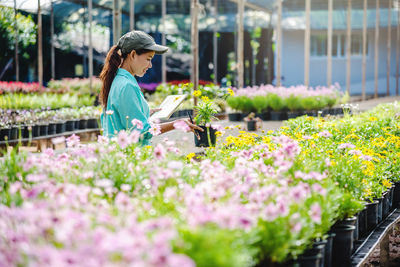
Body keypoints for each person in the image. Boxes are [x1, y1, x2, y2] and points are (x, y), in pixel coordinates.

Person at [99, 30, 202, 145]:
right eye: (148, 59)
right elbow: (142, 132)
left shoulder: (118, 80)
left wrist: (145, 112)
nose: (150, 65)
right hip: (131, 157)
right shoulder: (127, 85)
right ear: (133, 54)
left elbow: (120, 117)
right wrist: (176, 124)